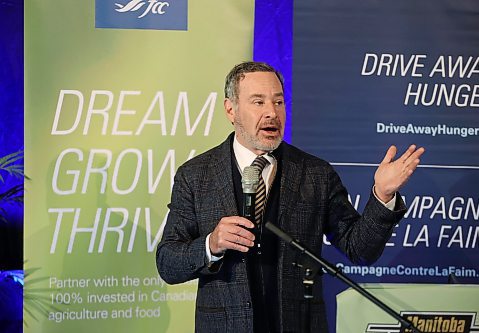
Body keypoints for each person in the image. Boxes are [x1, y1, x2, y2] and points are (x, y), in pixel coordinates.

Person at [156, 61, 425, 333]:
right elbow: (168, 263)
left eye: (279, 102)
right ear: (231, 109)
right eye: (258, 102)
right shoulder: (196, 175)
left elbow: (359, 249)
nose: (272, 113)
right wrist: (211, 244)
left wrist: (383, 194)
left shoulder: (315, 173)